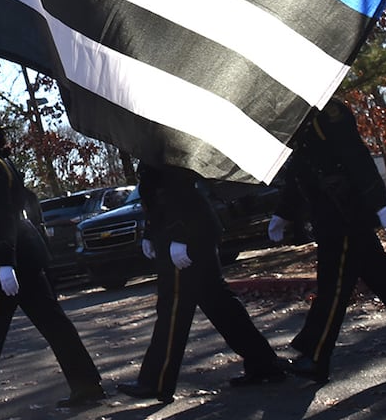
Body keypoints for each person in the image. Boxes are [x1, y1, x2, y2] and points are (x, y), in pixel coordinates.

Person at [269, 98, 386, 382]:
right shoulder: (301, 114)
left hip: (343, 215)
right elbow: (301, 171)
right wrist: (283, 213)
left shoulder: (329, 111)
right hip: (333, 215)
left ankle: (315, 356)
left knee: (333, 286)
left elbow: (356, 156)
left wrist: (381, 206)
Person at [0, 109, 105, 420]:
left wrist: (1, 261)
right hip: (22, 256)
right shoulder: (3, 165)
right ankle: (86, 384)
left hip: (10, 261)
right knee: (52, 322)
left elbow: (1, 217)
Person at [120, 162, 288, 404]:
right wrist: (149, 232)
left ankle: (155, 381)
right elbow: (157, 196)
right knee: (220, 304)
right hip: (187, 235)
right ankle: (264, 363)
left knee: (173, 309)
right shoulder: (152, 144)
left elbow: (181, 192)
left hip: (186, 238)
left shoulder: (163, 145)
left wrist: (180, 236)